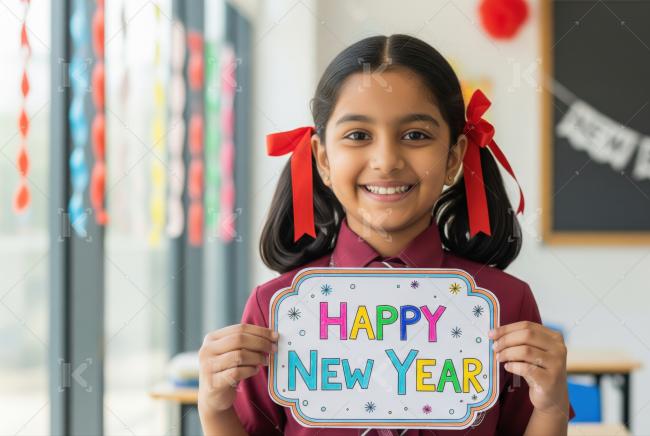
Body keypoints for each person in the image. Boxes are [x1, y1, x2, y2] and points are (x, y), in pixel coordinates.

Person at [198, 34, 574, 435]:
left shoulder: (503, 302)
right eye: (358, 135)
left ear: (453, 158)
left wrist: (550, 407)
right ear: (323, 159)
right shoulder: (277, 307)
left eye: (415, 135)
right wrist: (215, 409)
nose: (387, 161)